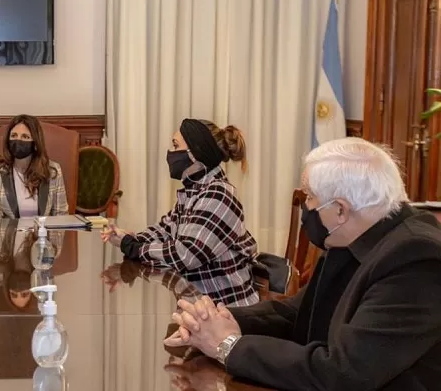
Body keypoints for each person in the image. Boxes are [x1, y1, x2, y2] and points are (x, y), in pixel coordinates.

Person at [165, 138, 441, 390]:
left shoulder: (416, 258)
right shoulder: (355, 235)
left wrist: (229, 346)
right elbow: (297, 314)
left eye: (309, 196)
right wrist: (216, 322)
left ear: (341, 210)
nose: (305, 206)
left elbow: (343, 373)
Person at [102, 118, 258, 307]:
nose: (171, 153)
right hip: (202, 307)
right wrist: (132, 238)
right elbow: (165, 229)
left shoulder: (218, 195)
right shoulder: (196, 190)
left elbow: (186, 255)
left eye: (176, 146)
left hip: (229, 311)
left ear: (195, 154)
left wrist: (136, 249)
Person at [0, 114, 68, 218]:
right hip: (10, 233)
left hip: (44, 233)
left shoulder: (53, 171)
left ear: (36, 143)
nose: (18, 140)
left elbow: (61, 216)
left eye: (25, 137)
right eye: (14, 136)